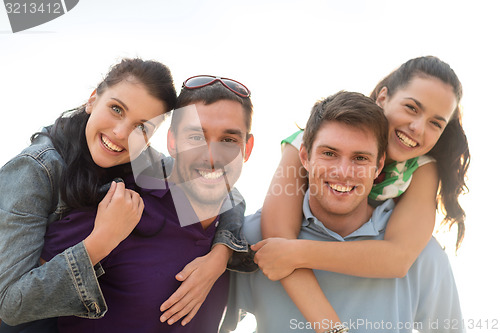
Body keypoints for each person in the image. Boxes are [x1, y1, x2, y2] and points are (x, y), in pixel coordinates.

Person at [0, 61, 250, 331]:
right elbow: (11, 304)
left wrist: (220, 254)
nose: (121, 133)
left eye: (142, 127)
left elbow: (221, 188)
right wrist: (102, 240)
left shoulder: (143, 163)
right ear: (93, 99)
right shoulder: (38, 168)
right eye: (116, 109)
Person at [251, 56, 470, 328]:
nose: (418, 128)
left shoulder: (422, 169)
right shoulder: (315, 141)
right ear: (383, 97)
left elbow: (398, 259)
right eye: (411, 108)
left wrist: (299, 253)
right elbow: (277, 242)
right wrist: (330, 326)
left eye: (435, 123)